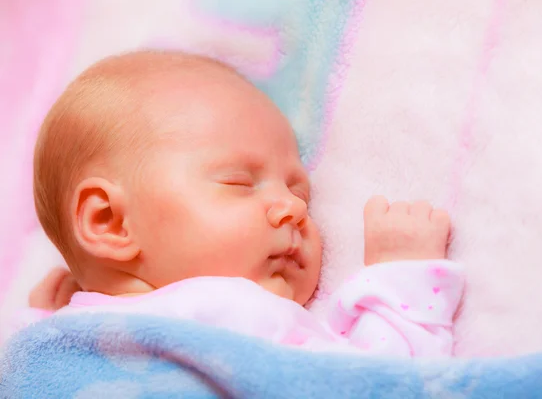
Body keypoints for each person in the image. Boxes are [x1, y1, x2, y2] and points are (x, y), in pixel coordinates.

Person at [26, 50, 463, 356]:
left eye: (300, 196)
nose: (292, 210)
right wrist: (401, 278)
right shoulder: (233, 314)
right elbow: (378, 383)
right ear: (110, 222)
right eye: (238, 183)